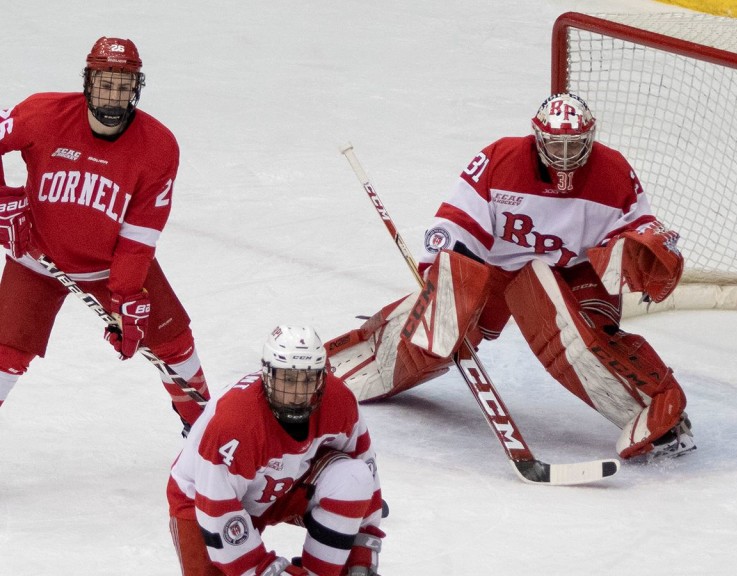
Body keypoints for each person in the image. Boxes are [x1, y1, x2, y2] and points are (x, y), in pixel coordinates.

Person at [330, 93, 694, 461]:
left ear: (591, 137)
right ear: (537, 137)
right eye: (556, 144)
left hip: (575, 273)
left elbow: (637, 224)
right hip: (499, 270)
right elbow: (458, 220)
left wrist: (645, 248)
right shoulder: (500, 159)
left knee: (585, 341)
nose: (566, 155)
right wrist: (447, 274)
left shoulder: (613, 170)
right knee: (442, 326)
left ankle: (656, 412)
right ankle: (362, 363)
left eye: (575, 144)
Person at [0, 37, 209, 429]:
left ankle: (205, 436)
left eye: (123, 86)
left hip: (110, 265)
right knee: (4, 354)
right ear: (88, 83)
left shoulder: (158, 146)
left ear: (137, 89)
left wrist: (127, 296)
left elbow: (139, 237)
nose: (113, 96)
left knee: (173, 344)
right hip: (35, 258)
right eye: (104, 84)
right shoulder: (43, 113)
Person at [168, 325, 385, 576]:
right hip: (201, 501)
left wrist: (362, 553)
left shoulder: (339, 402)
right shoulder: (235, 423)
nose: (297, 393)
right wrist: (267, 571)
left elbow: (367, 473)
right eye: (289, 379)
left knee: (353, 477)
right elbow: (217, 514)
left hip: (281, 487)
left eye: (308, 379)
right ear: (268, 375)